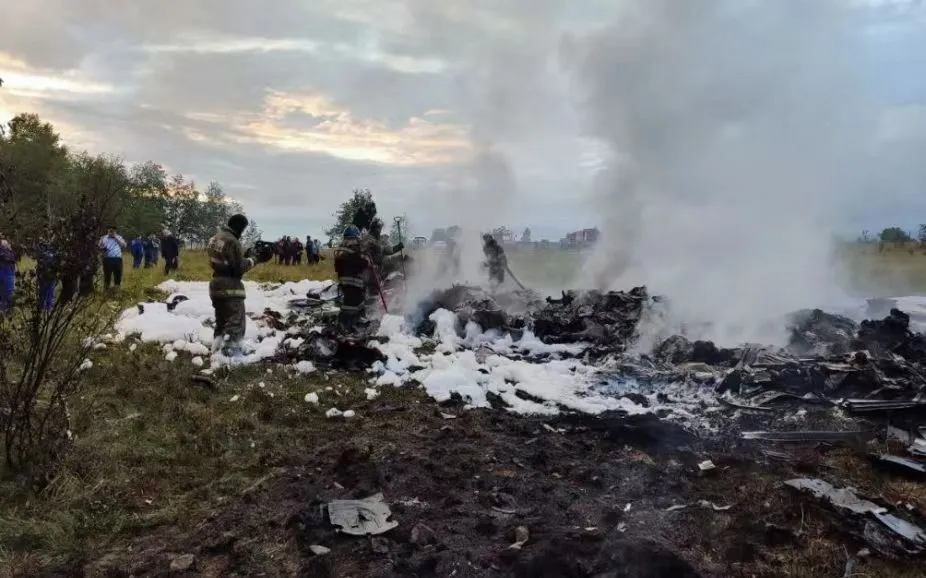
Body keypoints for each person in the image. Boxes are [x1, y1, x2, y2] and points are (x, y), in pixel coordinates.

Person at [207, 214, 271, 354]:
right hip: (230, 287)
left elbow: (225, 260)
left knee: (221, 322)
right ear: (240, 227)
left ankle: (216, 351)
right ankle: (230, 355)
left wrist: (244, 256)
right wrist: (254, 259)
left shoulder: (215, 238)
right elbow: (238, 268)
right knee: (235, 323)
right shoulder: (232, 241)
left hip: (215, 284)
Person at [334, 225, 374, 335]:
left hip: (344, 280)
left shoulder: (341, 248)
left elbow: (338, 266)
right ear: (356, 237)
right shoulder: (355, 248)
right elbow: (359, 263)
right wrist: (367, 261)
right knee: (352, 305)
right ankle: (348, 325)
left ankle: (355, 321)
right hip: (354, 280)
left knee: (353, 302)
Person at [99, 227, 126, 293]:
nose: (111, 232)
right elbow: (99, 246)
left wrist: (115, 238)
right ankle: (106, 291)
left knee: (118, 275)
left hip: (117, 259)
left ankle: (117, 291)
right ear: (107, 231)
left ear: (115, 231)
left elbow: (124, 245)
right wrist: (103, 249)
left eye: (113, 231)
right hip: (107, 258)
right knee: (107, 275)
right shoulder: (103, 238)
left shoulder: (119, 237)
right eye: (110, 230)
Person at [35, 238, 57, 311]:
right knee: (45, 293)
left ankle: (47, 308)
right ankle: (45, 308)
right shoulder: (46, 253)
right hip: (45, 275)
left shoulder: (52, 252)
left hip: (48, 276)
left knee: (47, 293)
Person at [0, 234, 15, 314]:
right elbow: (11, 258)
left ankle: (5, 311)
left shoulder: (6, 248)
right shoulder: (6, 248)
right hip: (6, 274)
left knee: (5, 293)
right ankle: (6, 311)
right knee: (7, 292)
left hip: (7, 272)